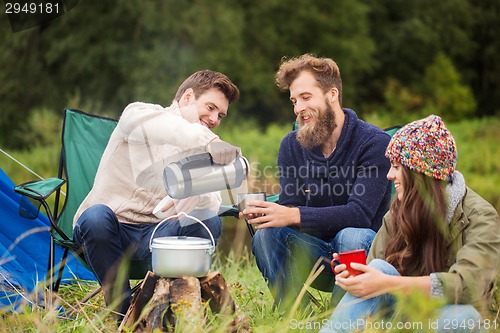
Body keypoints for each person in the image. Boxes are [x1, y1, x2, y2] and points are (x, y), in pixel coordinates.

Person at [73, 70, 241, 319]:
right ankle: (123, 314)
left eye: (221, 115)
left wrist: (198, 191)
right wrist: (208, 141)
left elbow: (212, 204)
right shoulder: (138, 114)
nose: (215, 118)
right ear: (187, 97)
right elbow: (171, 129)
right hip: (108, 232)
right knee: (96, 216)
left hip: (156, 238)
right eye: (211, 107)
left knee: (208, 220)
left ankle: (163, 307)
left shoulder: (201, 151)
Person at [240, 54, 392, 312]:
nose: (298, 108)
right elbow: (290, 209)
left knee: (351, 235)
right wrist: (269, 215)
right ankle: (298, 315)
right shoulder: (292, 144)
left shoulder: (374, 143)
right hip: (315, 254)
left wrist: (293, 214)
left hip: (365, 255)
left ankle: (342, 316)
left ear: (332, 94)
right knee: (266, 235)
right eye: (294, 101)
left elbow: (360, 215)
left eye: (306, 97)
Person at [320, 115, 500, 333]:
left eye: (396, 166)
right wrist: (358, 278)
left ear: (420, 173)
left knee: (464, 318)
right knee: (378, 268)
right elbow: (376, 270)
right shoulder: (400, 210)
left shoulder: (480, 217)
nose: (389, 175)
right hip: (405, 315)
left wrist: (386, 284)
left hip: (448, 317)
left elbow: (469, 286)